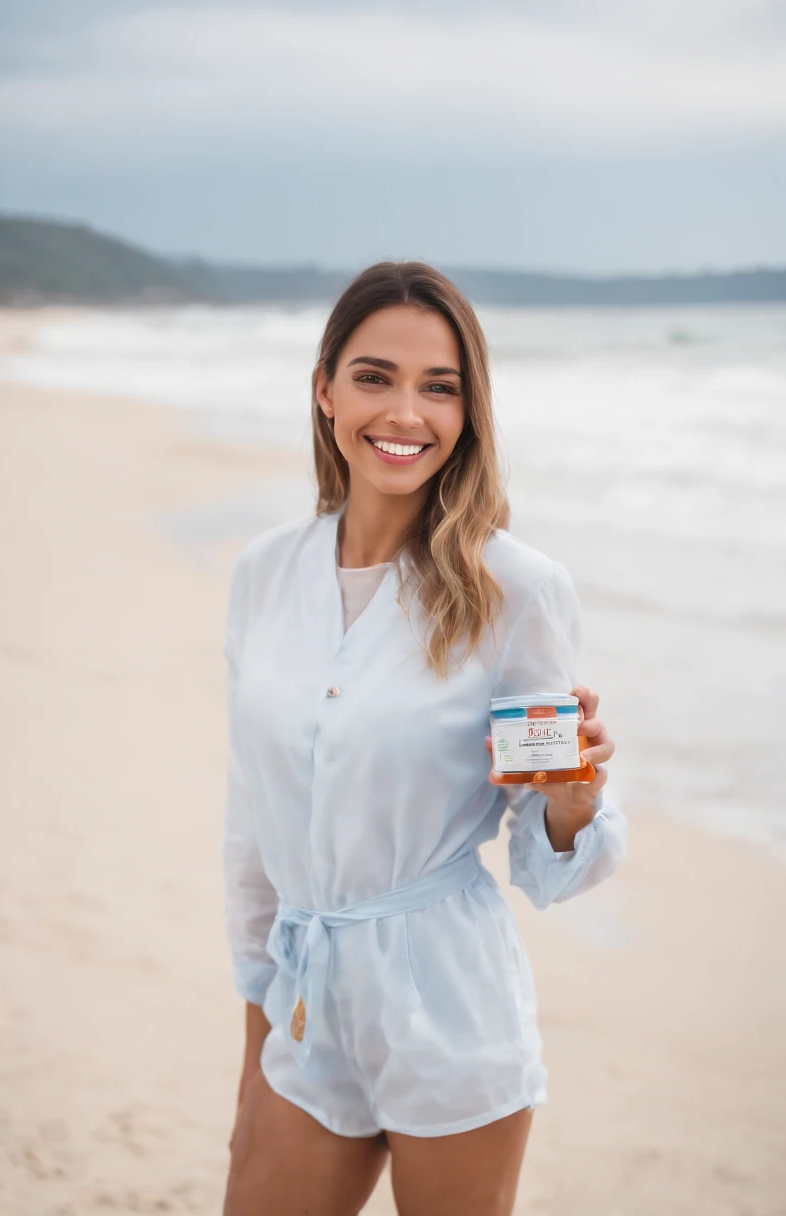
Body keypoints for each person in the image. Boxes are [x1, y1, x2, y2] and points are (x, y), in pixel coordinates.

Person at [221, 261, 627, 1216]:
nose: (405, 413)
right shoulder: (264, 574)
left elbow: (547, 862)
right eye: (375, 377)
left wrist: (574, 806)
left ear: (469, 412)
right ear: (324, 389)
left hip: (450, 1007)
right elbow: (253, 820)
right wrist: (257, 1032)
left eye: (438, 387)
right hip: (306, 1005)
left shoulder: (515, 590)